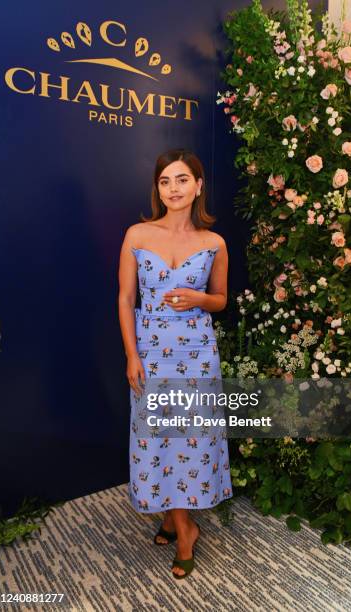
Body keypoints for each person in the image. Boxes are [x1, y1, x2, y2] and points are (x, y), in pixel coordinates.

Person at [118, 148, 233, 579]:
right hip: (150, 352)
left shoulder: (214, 243)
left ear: (199, 186)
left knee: (189, 439)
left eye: (182, 179)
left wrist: (200, 299)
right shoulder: (137, 234)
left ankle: (183, 528)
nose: (174, 189)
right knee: (156, 438)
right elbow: (126, 299)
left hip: (197, 357)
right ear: (158, 188)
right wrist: (132, 354)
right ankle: (176, 518)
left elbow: (220, 300)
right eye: (165, 181)